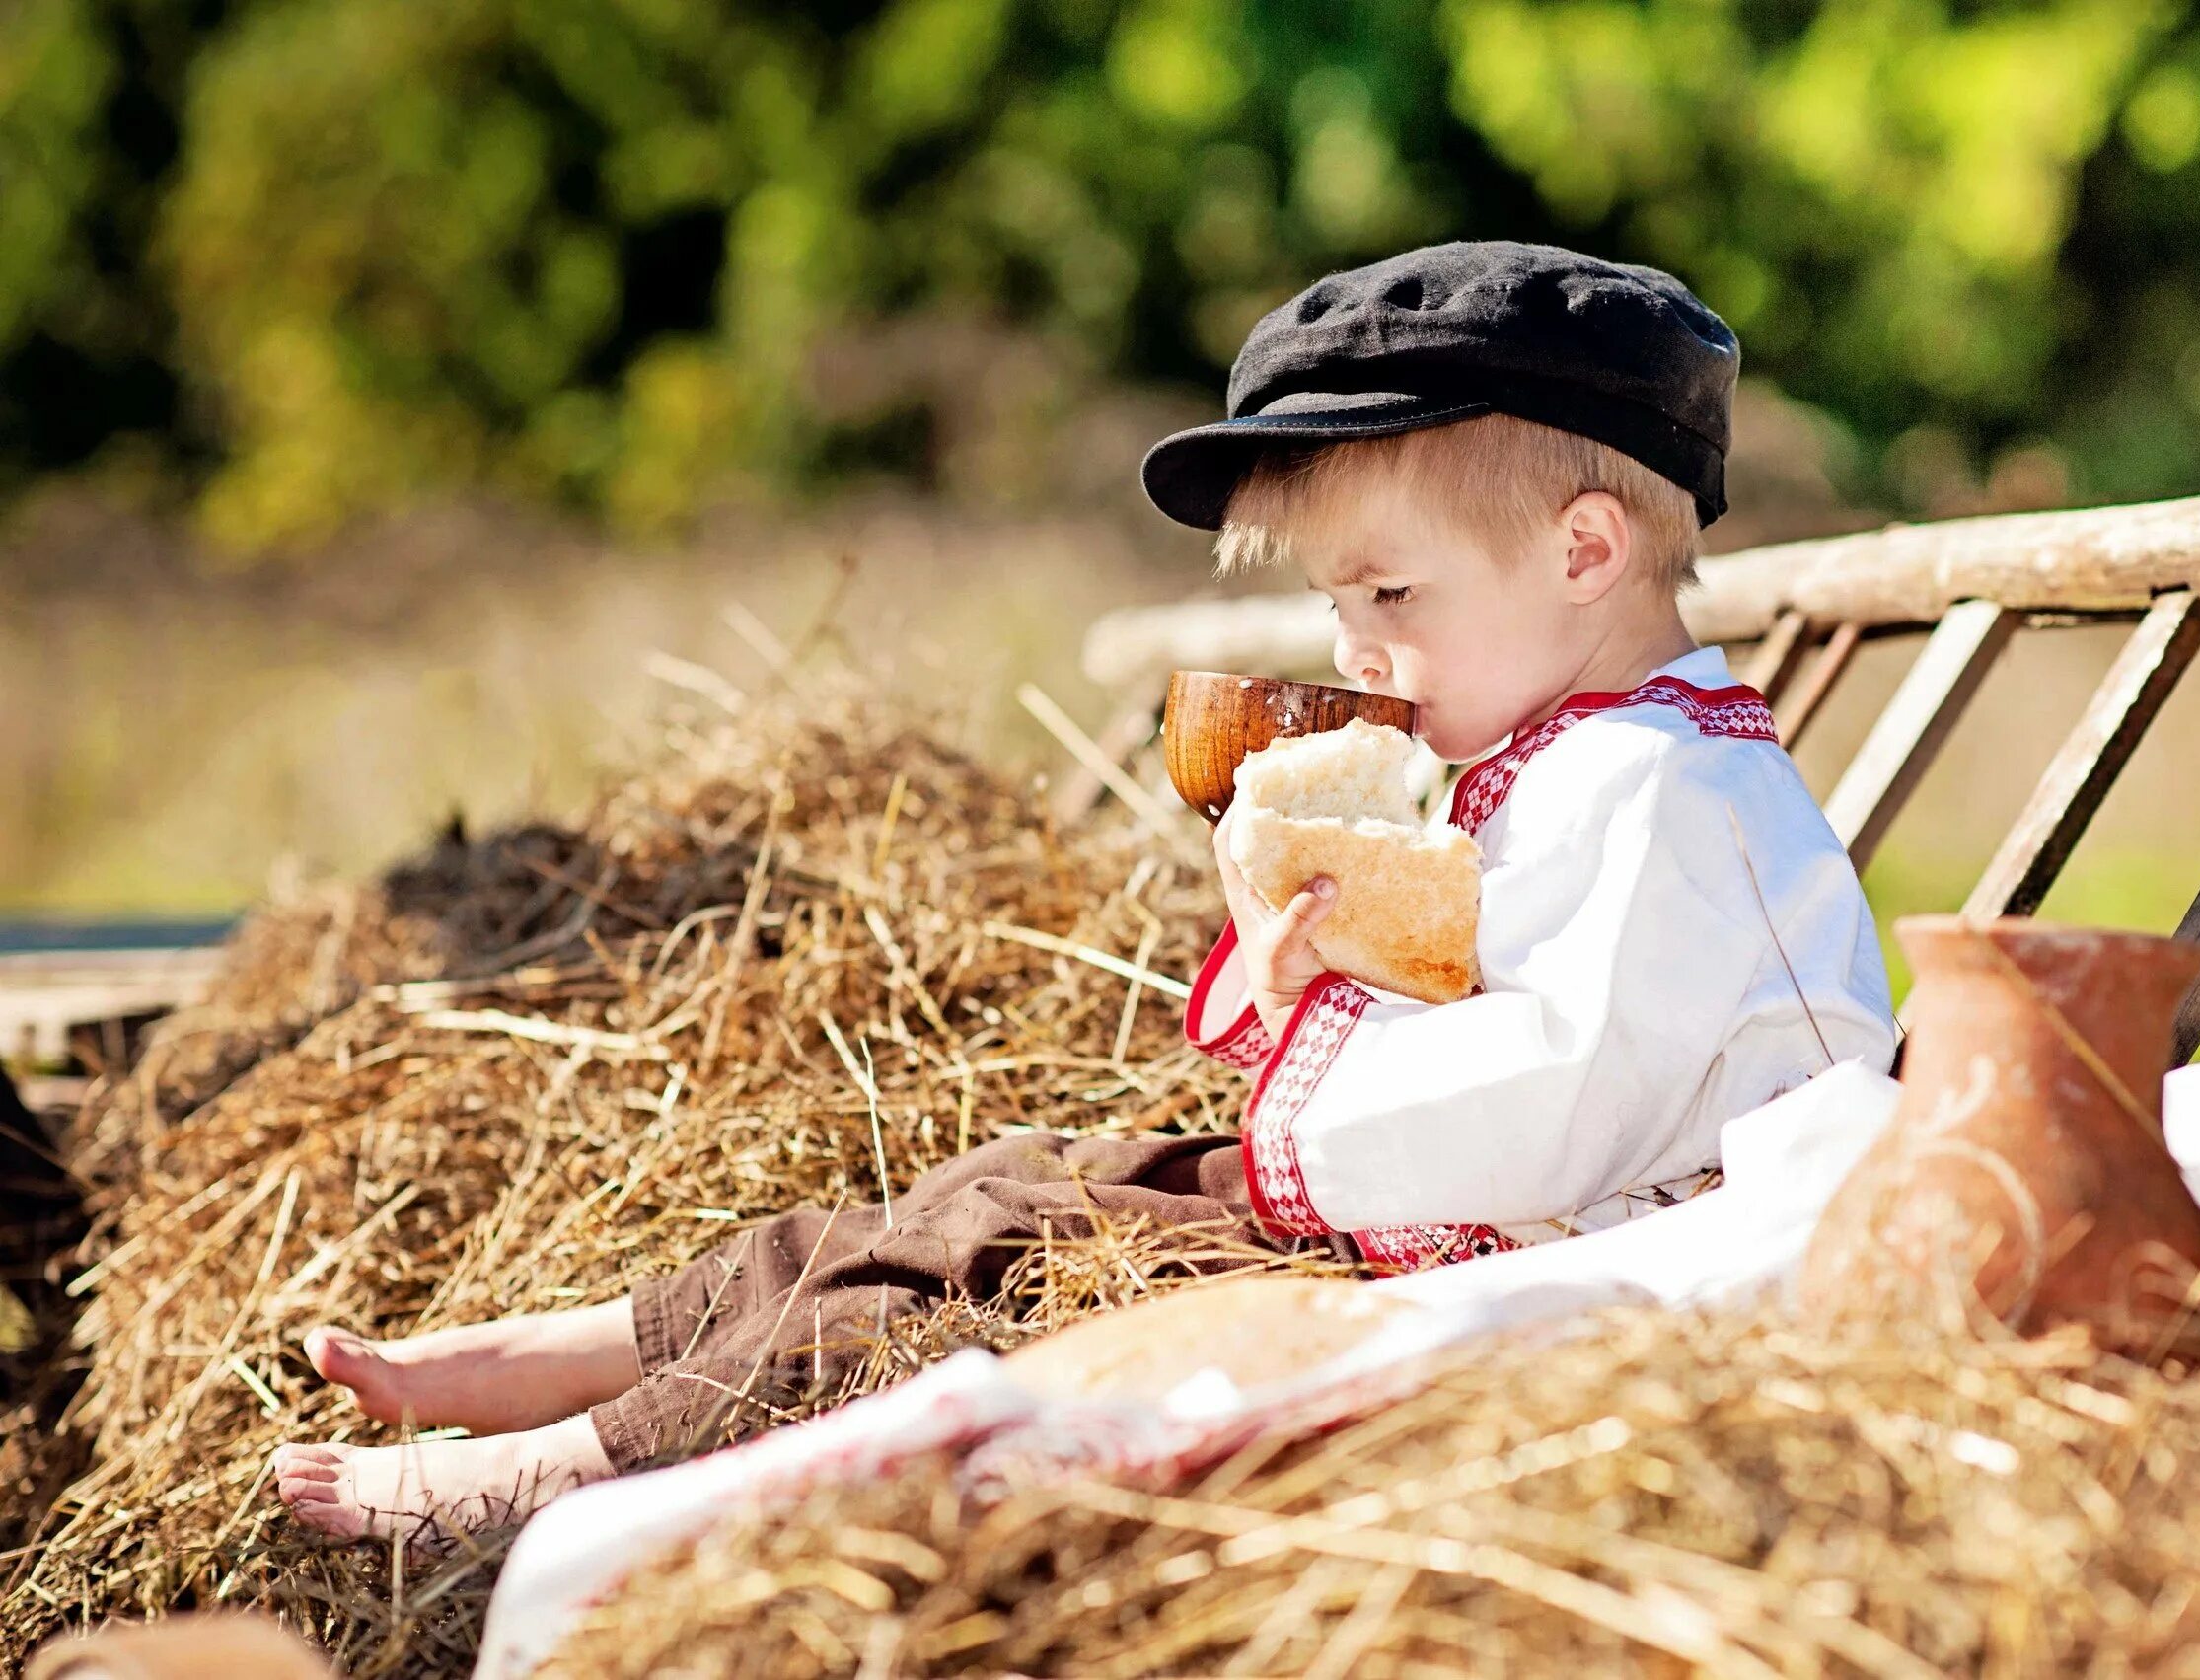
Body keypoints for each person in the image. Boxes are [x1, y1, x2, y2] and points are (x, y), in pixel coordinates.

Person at [271, 239, 1897, 1544]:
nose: (1354, 651)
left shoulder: (1671, 790)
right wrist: (1315, 961)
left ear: (1589, 552)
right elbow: (1502, 1031)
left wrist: (1321, 1006)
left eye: (1391, 590)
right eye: (1342, 601)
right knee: (1013, 1178)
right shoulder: (1578, 750)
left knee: (1003, 1268)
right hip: (1438, 1225)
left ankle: (580, 1471)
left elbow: (1555, 1104)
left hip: (1551, 1284)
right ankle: (601, 1353)